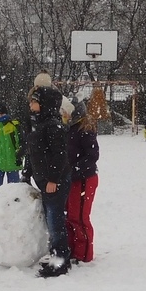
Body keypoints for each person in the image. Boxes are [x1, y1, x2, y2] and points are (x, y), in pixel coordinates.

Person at [23, 85, 71, 278]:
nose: (31, 105)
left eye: (34, 101)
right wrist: (27, 172)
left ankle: (60, 261)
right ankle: (55, 254)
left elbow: (60, 156)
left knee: (55, 221)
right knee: (51, 220)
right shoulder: (36, 124)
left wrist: (53, 179)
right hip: (43, 180)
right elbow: (32, 152)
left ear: (44, 104)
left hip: (55, 181)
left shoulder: (53, 126)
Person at [66, 100, 100, 263]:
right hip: (71, 179)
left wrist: (75, 170)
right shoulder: (69, 129)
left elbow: (92, 156)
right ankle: (72, 249)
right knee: (69, 216)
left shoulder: (84, 130)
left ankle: (83, 253)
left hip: (84, 179)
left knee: (79, 217)